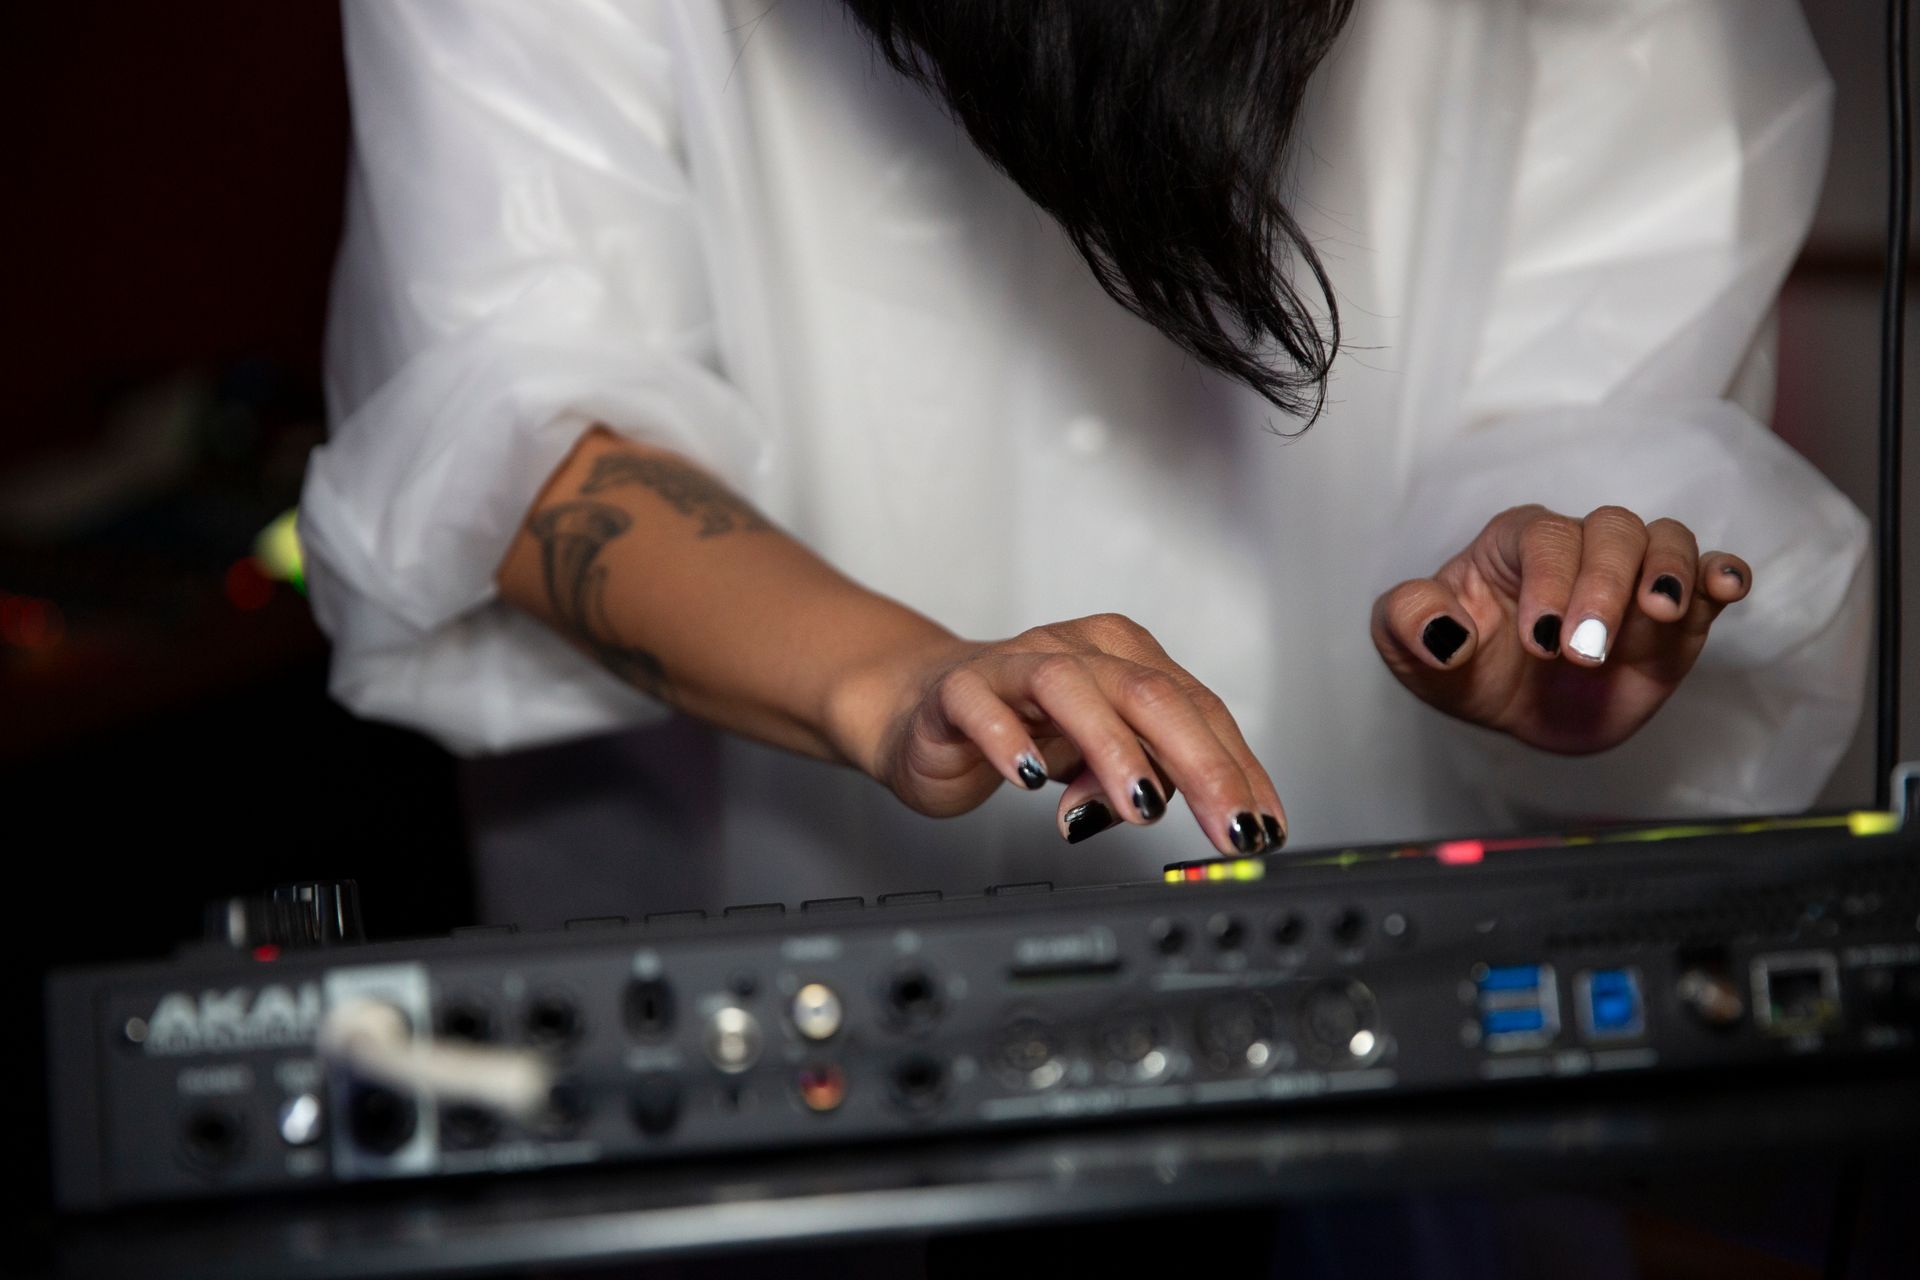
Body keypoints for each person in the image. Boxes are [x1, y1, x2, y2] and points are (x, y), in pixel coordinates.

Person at [302, 0, 1869, 913]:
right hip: (749, 913)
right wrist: (896, 680)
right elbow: (505, 417)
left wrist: (1530, 589)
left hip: (1380, 944)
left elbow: (1587, 353)